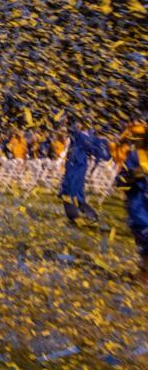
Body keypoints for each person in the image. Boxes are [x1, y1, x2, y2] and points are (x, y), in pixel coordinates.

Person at [114, 120, 148, 284]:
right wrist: (132, 175)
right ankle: (143, 275)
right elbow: (119, 182)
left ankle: (143, 275)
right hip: (140, 209)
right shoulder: (136, 156)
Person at [59, 122, 111, 224]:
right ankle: (78, 217)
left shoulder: (83, 137)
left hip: (77, 169)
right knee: (68, 193)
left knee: (72, 194)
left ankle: (90, 217)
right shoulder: (82, 139)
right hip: (72, 168)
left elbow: (102, 154)